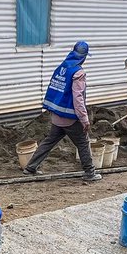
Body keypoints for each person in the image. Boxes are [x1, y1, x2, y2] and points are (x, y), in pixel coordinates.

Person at [24, 40, 100, 181]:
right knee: (83, 143)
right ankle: (90, 173)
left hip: (57, 115)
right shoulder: (78, 73)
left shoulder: (62, 67)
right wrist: (84, 119)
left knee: (49, 141)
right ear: (83, 57)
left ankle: (30, 167)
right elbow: (78, 98)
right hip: (70, 117)